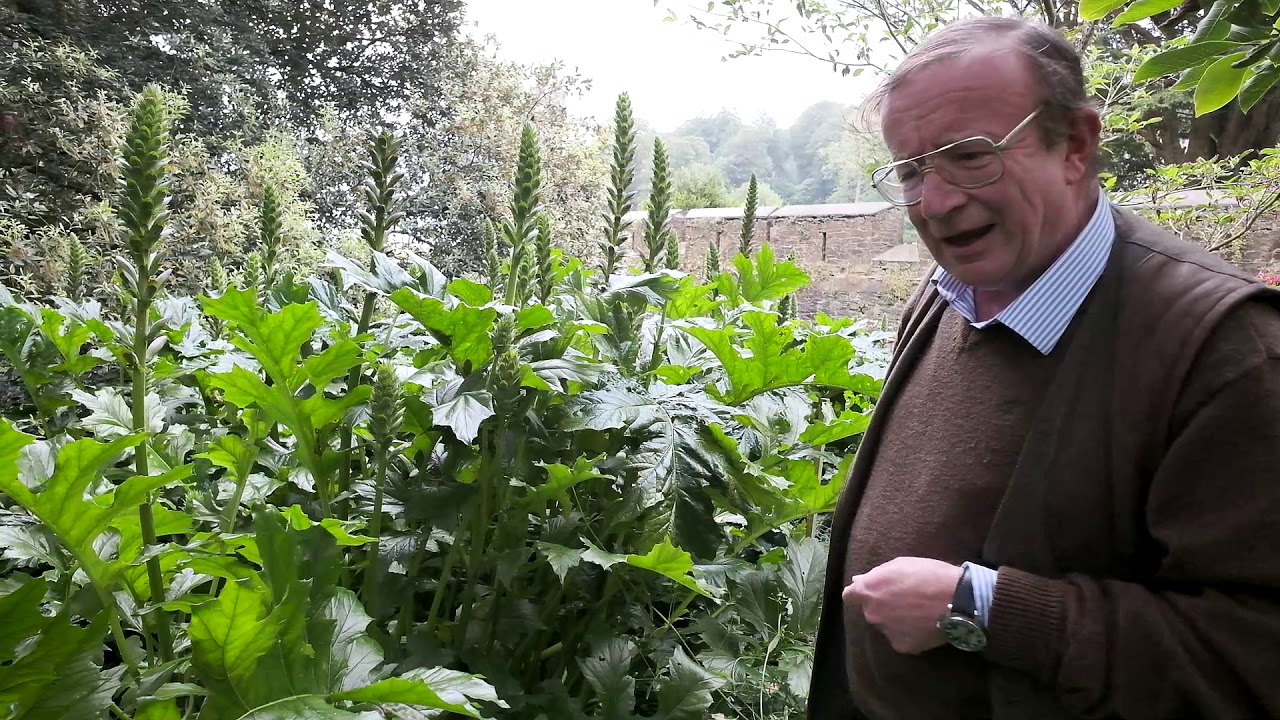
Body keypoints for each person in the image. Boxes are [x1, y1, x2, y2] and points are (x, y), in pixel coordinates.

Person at [806, 15, 1280, 720]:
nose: (934, 203)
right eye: (910, 170)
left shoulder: (1223, 350)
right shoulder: (942, 303)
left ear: (1077, 146)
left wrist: (985, 609)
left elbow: (1255, 654)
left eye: (970, 156)